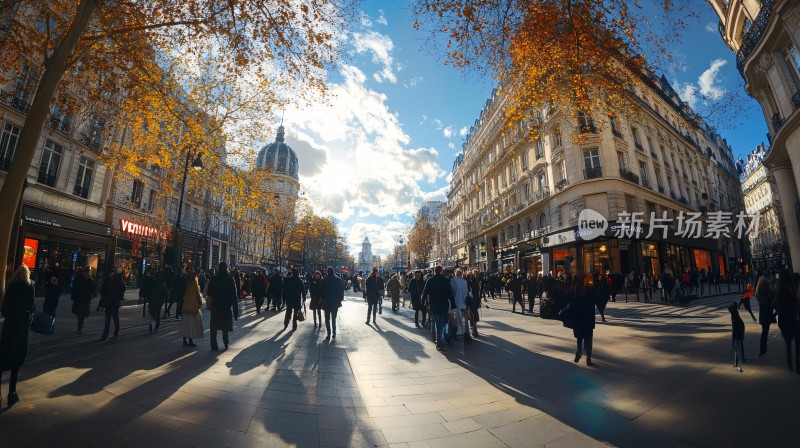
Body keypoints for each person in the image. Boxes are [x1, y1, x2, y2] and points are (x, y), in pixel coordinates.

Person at [0, 265, 36, 407]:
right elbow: (32, 306)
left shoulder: (11, 287)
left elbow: (4, 308)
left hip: (9, 327)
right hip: (20, 328)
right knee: (16, 360)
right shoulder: (28, 287)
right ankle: (12, 393)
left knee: (2, 358)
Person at [564, 273, 598, 366]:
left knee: (579, 337)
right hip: (587, 316)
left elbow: (567, 298)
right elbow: (595, 299)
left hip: (577, 317)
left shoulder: (574, 289)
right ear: (584, 279)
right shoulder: (589, 288)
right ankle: (588, 359)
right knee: (589, 338)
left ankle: (579, 351)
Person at [420, 265, 456, 350]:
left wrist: (422, 302)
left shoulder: (430, 280)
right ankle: (439, 341)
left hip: (434, 305)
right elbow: (450, 294)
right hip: (444, 305)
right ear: (441, 271)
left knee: (435, 321)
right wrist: (453, 305)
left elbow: (425, 292)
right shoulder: (447, 281)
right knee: (440, 323)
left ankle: (436, 339)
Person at [208, 262, 237, 351]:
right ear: (226, 268)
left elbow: (209, 293)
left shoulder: (213, 279)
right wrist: (235, 312)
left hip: (215, 306)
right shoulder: (230, 280)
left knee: (213, 327)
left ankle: (214, 345)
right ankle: (226, 342)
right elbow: (234, 296)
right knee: (225, 326)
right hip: (226, 306)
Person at [776, 270, 799, 372]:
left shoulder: (779, 290)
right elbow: (795, 304)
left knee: (788, 343)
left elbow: (776, 304)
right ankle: (798, 364)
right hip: (793, 319)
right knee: (798, 343)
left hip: (784, 320)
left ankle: (789, 361)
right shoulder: (791, 289)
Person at [99, 270, 126, 341]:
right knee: (108, 319)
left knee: (114, 317)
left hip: (114, 302)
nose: (111, 276)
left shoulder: (118, 282)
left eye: (113, 275)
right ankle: (105, 334)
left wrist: (119, 297)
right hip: (108, 302)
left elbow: (123, 287)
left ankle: (116, 329)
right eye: (110, 275)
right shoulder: (107, 281)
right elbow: (102, 291)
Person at [179, 271, 204, 347]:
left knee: (185, 324)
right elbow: (198, 296)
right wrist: (200, 304)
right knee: (192, 324)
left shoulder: (187, 284)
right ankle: (190, 340)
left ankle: (184, 340)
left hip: (186, 306)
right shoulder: (195, 284)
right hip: (193, 307)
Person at [755, 276, 775, 357]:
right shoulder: (767, 289)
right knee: (765, 332)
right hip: (767, 314)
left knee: (764, 332)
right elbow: (773, 296)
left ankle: (763, 349)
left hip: (763, 314)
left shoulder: (758, 290)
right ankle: (763, 350)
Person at [321, 267, 344, 339]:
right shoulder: (338, 280)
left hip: (327, 302)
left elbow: (322, 291)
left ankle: (328, 333)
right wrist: (340, 300)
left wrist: (322, 299)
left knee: (327, 318)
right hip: (335, 302)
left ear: (327, 272)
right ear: (333, 271)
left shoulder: (324, 280)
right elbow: (341, 291)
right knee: (334, 318)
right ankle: (334, 333)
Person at [71, 268, 95, 334]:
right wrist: (73, 296)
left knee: (82, 313)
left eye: (89, 273)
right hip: (79, 299)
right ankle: (80, 324)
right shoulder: (79, 279)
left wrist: (92, 295)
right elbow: (75, 288)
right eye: (87, 273)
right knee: (79, 314)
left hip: (85, 300)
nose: (88, 274)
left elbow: (93, 290)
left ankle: (80, 326)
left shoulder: (91, 281)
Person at [450, 269, 471, 342]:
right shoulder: (465, 281)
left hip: (456, 302)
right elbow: (467, 291)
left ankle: (458, 332)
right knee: (465, 319)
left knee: (456, 319)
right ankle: (466, 333)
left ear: (455, 274)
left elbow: (452, 291)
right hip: (464, 302)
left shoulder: (453, 281)